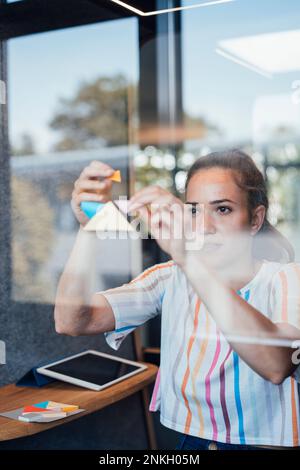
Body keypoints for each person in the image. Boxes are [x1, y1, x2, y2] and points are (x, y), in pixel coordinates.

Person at [54, 150, 300, 450]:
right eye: (194, 211)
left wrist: (187, 256)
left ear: (255, 219)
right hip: (186, 444)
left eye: (222, 209)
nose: (204, 226)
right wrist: (88, 227)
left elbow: (276, 364)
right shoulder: (170, 277)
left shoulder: (287, 278)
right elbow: (72, 320)